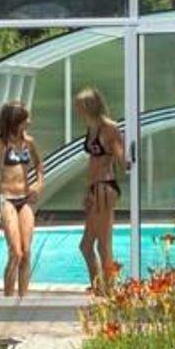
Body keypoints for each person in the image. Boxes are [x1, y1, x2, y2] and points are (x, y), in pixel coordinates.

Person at [0, 100, 42, 297]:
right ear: (15, 121)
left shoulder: (28, 142)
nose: (29, 122)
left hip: (25, 199)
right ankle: (8, 299)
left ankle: (23, 299)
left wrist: (39, 184)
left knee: (26, 252)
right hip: (7, 199)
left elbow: (39, 165)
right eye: (25, 119)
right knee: (16, 253)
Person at [74, 87, 125, 292]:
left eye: (79, 105)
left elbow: (120, 157)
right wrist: (87, 190)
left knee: (102, 245)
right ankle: (100, 288)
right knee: (87, 246)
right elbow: (93, 161)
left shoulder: (109, 128)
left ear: (89, 106)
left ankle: (109, 291)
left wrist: (125, 159)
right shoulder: (92, 127)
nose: (76, 109)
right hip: (95, 188)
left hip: (105, 187)